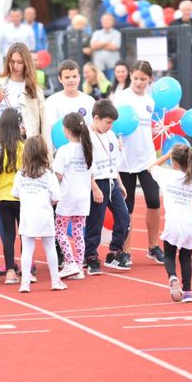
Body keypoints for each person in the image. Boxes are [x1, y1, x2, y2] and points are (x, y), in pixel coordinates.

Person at [114, 61, 163, 266]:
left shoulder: (151, 101)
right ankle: (125, 251)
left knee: (154, 201)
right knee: (128, 207)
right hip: (125, 161)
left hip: (147, 160)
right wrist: (114, 137)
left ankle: (153, 246)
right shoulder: (121, 98)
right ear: (130, 76)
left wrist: (157, 129)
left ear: (150, 80)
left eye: (143, 79)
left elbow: (146, 127)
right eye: (135, 78)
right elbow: (112, 123)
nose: (139, 82)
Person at [149, 144, 192, 303]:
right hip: (189, 225)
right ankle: (187, 292)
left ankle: (172, 276)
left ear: (174, 162)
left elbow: (150, 167)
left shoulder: (167, 176)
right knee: (186, 259)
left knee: (169, 255)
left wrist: (167, 155)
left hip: (173, 224)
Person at [11, 136, 64, 292]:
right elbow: (56, 197)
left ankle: (25, 283)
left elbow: (15, 194)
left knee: (27, 249)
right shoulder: (49, 175)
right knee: (50, 248)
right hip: (44, 215)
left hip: (27, 215)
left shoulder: (20, 174)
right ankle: (55, 281)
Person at [84, 100, 130, 275]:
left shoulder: (110, 134)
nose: (111, 126)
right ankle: (91, 257)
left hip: (112, 181)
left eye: (112, 123)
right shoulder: (86, 136)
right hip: (98, 183)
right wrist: (94, 187)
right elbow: (86, 165)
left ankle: (114, 252)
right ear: (96, 118)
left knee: (124, 218)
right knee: (95, 222)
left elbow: (113, 161)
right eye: (108, 122)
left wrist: (119, 182)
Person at [0, 42, 49, 140]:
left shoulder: (35, 90)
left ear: (26, 63)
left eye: (20, 62)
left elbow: (43, 126)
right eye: (12, 61)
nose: (15, 66)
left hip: (22, 142)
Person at [54, 113, 93, 280]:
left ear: (67, 130)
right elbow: (91, 174)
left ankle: (69, 263)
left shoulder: (63, 150)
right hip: (83, 197)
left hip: (67, 197)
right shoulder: (89, 149)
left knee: (60, 230)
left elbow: (58, 175)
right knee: (78, 232)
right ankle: (79, 266)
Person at [0, 108, 24, 283]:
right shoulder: (23, 146)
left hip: (3, 196)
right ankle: (26, 270)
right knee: (25, 234)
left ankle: (10, 271)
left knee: (9, 235)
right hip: (22, 196)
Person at [169, 0, 192, 108]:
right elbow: (169, 42)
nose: (186, 12)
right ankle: (177, 107)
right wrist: (169, 58)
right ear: (180, 10)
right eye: (184, 9)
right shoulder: (173, 24)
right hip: (177, 60)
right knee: (177, 84)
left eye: (189, 9)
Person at [46, 59, 95, 129]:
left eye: (74, 76)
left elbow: (92, 128)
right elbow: (51, 128)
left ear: (79, 77)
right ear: (60, 79)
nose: (71, 80)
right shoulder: (52, 101)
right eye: (67, 77)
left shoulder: (89, 101)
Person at [90, 13, 121, 80]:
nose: (106, 22)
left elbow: (114, 47)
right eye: (104, 20)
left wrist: (99, 45)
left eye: (108, 20)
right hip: (99, 66)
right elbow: (93, 46)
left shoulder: (117, 33)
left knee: (113, 85)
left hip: (112, 66)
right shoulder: (96, 33)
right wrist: (107, 43)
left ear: (113, 22)